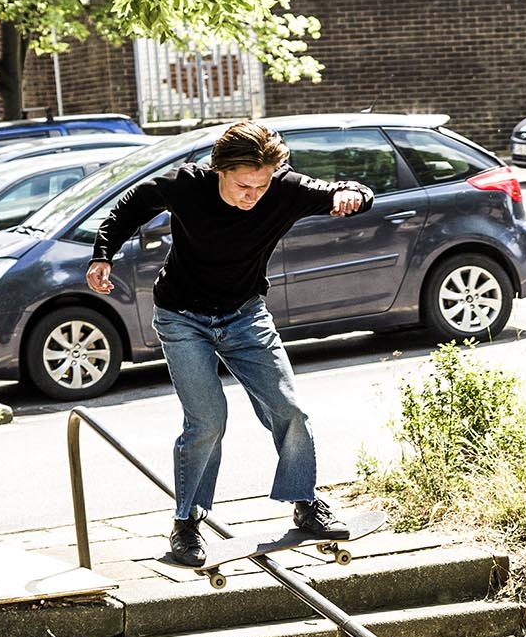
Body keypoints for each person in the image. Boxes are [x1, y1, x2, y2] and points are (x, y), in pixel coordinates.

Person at [86, 119, 373, 567]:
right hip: (182, 318)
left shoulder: (285, 188)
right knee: (208, 420)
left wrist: (349, 196)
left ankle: (306, 503)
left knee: (289, 408)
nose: (252, 195)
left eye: (261, 186)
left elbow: (351, 190)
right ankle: (187, 525)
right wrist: (103, 254)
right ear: (220, 170)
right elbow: (129, 206)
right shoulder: (186, 184)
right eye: (243, 185)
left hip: (245, 317)